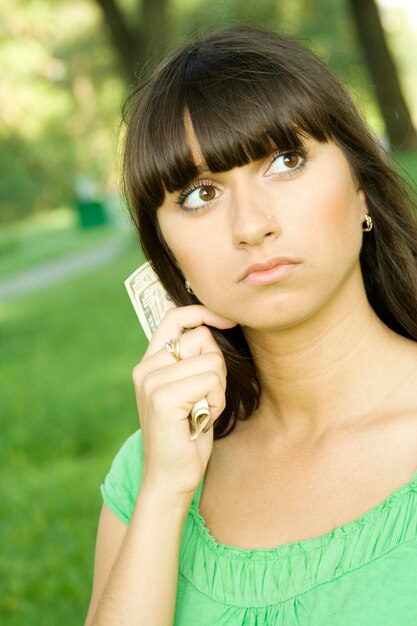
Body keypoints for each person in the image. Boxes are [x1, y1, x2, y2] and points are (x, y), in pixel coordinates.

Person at [85, 26, 417, 625]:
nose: (251, 224)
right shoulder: (152, 466)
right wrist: (164, 493)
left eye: (285, 162)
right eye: (199, 195)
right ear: (169, 256)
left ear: (361, 188)